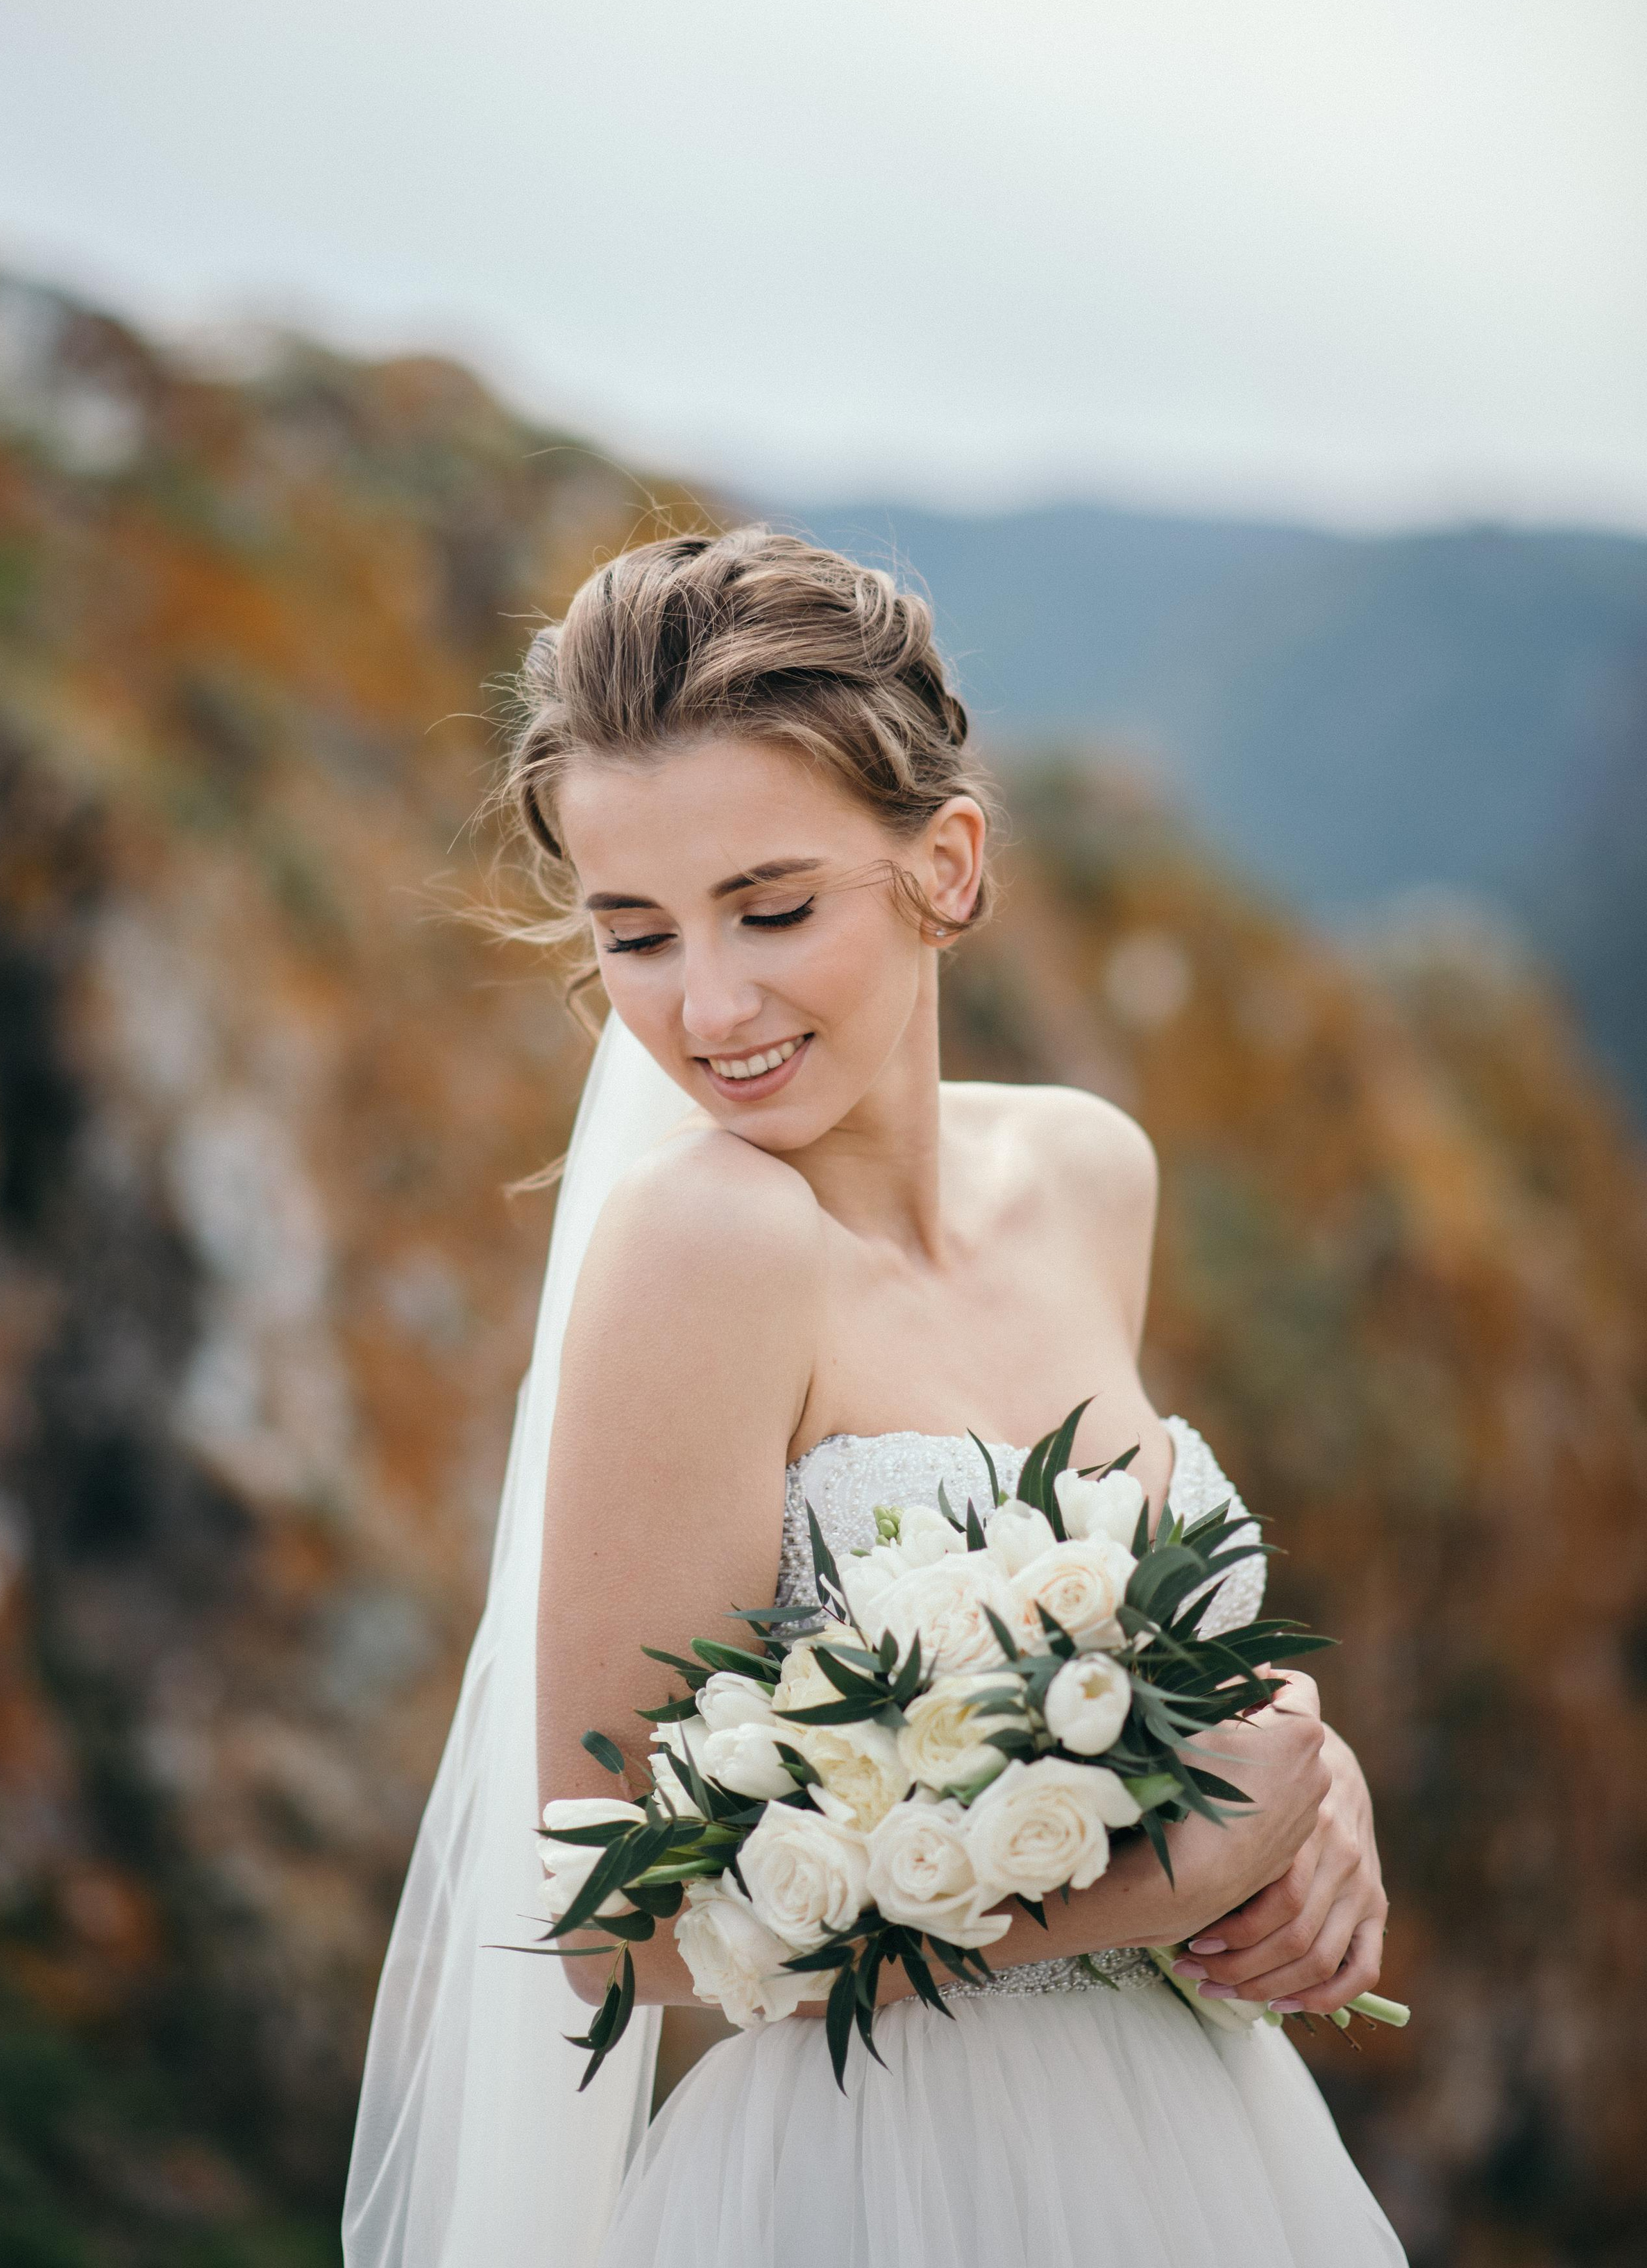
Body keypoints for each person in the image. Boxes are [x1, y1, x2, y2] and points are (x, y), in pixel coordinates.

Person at [344, 528, 1403, 2267]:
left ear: (947, 865)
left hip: (1199, 2143)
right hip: (875, 2177)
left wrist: (1304, 1777)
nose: (708, 1004)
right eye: (637, 934)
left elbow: (1124, 1670)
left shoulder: (1085, 1172)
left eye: (770, 909)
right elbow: (618, 1928)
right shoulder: (704, 1249)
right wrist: (1156, 1886)